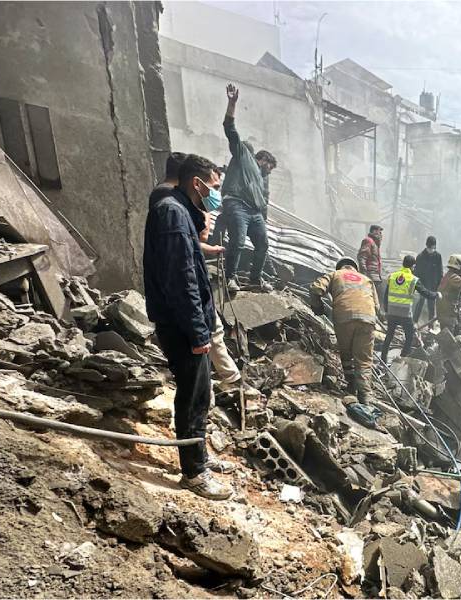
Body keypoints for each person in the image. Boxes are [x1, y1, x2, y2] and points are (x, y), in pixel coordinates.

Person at [143, 154, 232, 500]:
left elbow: (182, 256)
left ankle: (198, 456)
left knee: (200, 394)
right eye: (214, 185)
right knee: (194, 396)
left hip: (183, 321)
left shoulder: (177, 211)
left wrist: (200, 246)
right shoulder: (173, 213)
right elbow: (182, 280)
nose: (215, 193)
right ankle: (194, 473)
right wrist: (199, 332)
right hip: (181, 325)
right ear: (197, 183)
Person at [221, 83, 277, 293]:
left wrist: (263, 215)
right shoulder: (245, 155)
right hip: (236, 204)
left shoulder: (261, 181)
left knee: (262, 244)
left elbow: (264, 202)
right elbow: (230, 129)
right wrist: (232, 103)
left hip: (253, 212)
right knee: (237, 241)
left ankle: (255, 279)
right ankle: (230, 278)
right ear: (261, 159)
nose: (268, 173)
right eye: (268, 167)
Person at [309, 257, 381, 402]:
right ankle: (365, 396)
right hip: (367, 319)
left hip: (344, 318)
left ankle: (351, 384)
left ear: (340, 267)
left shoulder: (335, 274)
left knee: (346, 354)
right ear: (354, 268)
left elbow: (316, 288)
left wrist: (317, 306)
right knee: (364, 359)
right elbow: (377, 307)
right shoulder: (367, 279)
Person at [380, 255, 441, 363]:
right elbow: (425, 292)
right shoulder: (413, 279)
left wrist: (386, 310)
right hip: (405, 314)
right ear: (413, 266)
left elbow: (386, 295)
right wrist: (436, 295)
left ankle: (383, 359)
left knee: (389, 336)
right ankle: (401, 359)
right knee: (409, 337)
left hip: (392, 313)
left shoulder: (392, 276)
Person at [412, 235, 443, 324]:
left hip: (433, 285)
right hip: (422, 285)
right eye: (430, 247)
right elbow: (416, 273)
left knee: (431, 306)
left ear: (435, 246)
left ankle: (430, 325)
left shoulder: (438, 256)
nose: (431, 249)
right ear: (426, 246)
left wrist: (438, 285)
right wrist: (417, 286)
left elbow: (440, 272)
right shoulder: (420, 256)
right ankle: (415, 322)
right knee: (420, 303)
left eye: (433, 248)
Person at [357, 225, 385, 300]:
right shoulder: (368, 241)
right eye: (380, 232)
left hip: (375, 277)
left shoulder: (375, 244)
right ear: (374, 231)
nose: (381, 234)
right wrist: (364, 274)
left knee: (376, 298)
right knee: (369, 298)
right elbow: (362, 257)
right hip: (370, 276)